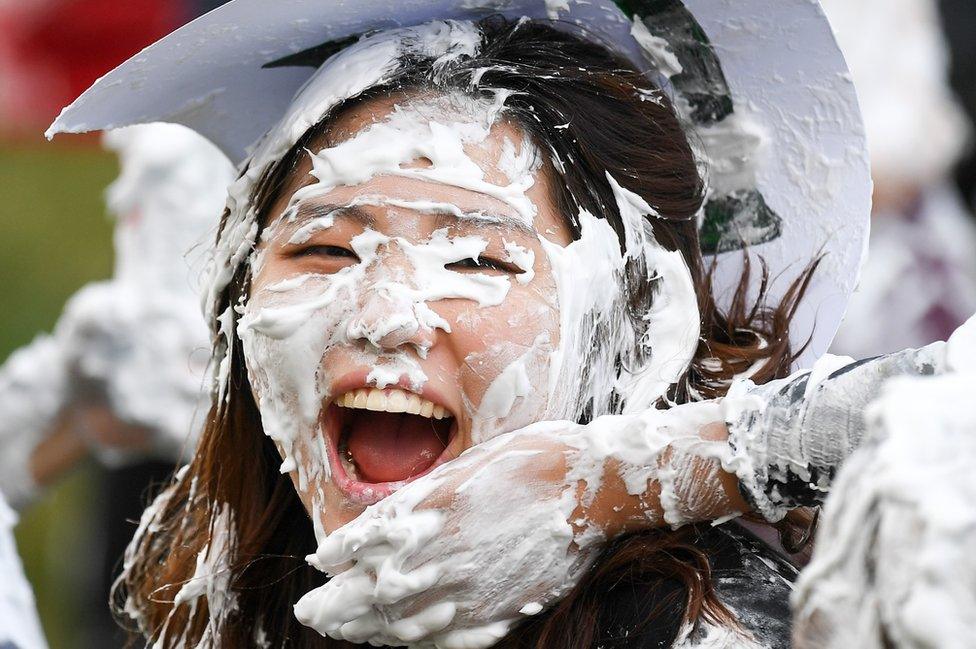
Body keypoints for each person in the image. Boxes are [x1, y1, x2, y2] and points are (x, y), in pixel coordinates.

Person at [44, 1, 968, 648]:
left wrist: (624, 479)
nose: (383, 317)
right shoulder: (220, 596)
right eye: (324, 251)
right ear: (238, 308)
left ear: (633, 332)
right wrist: (37, 427)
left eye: (477, 261)